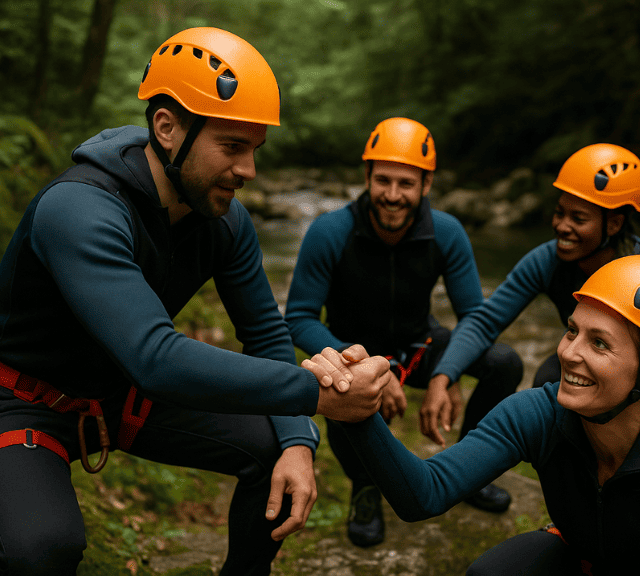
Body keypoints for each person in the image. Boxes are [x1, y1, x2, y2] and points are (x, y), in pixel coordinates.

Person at [0, 27, 390, 575]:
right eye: (232, 147)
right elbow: (154, 358)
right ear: (167, 128)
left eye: (254, 150)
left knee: (271, 446)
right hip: (24, 401)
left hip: (117, 394)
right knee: (42, 548)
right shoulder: (80, 209)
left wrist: (299, 440)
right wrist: (316, 395)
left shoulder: (224, 220)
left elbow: (266, 334)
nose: (249, 171)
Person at [335, 255, 640, 575]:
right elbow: (424, 495)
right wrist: (357, 412)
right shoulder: (538, 414)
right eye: (572, 331)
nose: (568, 353)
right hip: (582, 555)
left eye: (599, 343)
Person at [285, 117, 524, 547]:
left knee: (504, 362)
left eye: (406, 184)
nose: (393, 196)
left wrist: (444, 375)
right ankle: (365, 487)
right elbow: (300, 317)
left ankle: (471, 468)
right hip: (353, 349)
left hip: (419, 346)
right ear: (367, 178)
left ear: (426, 185)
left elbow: (474, 316)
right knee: (339, 378)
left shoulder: (446, 232)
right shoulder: (330, 231)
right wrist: (359, 362)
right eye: (383, 181)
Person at [429, 143, 640, 426]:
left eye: (578, 218)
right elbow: (485, 321)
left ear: (614, 224)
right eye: (559, 213)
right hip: (600, 369)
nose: (562, 226)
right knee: (549, 378)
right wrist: (444, 376)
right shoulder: (548, 260)